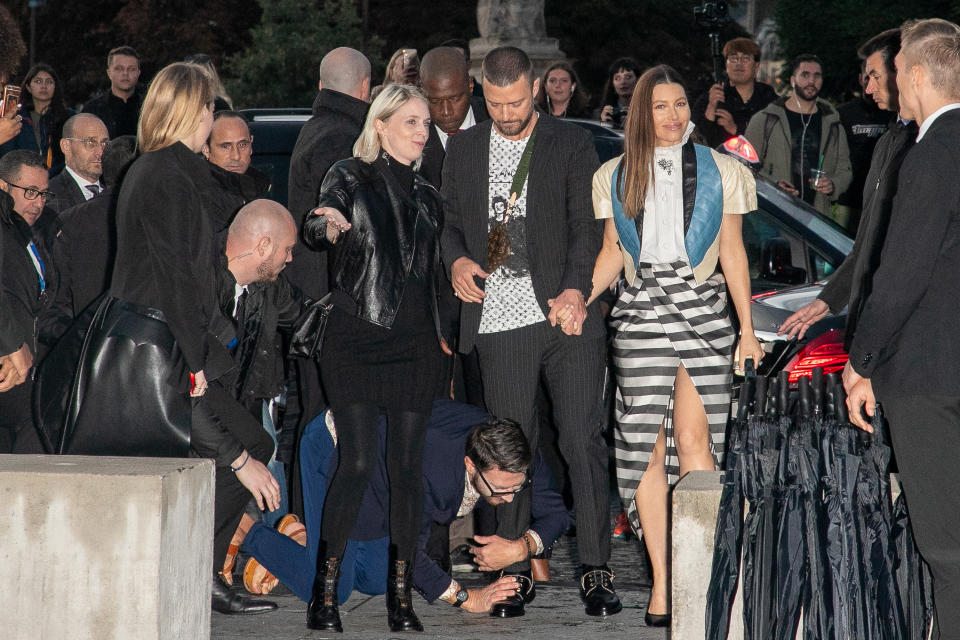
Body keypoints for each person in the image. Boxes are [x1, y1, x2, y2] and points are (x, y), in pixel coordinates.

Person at [47, 62, 280, 614]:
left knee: (256, 442)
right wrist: (199, 363)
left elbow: (193, 273)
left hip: (170, 339)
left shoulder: (168, 170)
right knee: (240, 450)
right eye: (208, 108)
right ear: (189, 110)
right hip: (156, 348)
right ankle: (197, 572)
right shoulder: (165, 173)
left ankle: (204, 568)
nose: (213, 118)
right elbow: (176, 276)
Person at [441, 46, 621, 618]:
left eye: (516, 101)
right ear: (481, 94)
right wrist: (458, 262)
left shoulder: (570, 142)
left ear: (537, 87)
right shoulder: (465, 148)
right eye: (495, 104)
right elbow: (447, 223)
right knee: (508, 453)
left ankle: (595, 567)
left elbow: (585, 225)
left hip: (564, 315)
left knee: (580, 440)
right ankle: (512, 573)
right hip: (499, 322)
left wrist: (575, 290)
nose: (507, 113)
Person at [585, 65, 762, 628]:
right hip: (639, 312)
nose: (673, 115)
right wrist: (579, 298)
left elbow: (733, 251)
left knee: (695, 441)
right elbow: (614, 249)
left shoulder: (724, 169)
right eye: (660, 106)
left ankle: (698, 575)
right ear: (642, 112)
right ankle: (663, 582)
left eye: (681, 103)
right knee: (644, 450)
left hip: (706, 310)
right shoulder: (613, 174)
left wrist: (748, 328)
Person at [301, 83, 446, 633]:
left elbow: (431, 274)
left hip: (414, 346)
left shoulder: (430, 196)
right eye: (410, 121)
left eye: (425, 124)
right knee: (358, 461)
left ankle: (400, 598)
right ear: (381, 126)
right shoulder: (349, 175)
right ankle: (325, 594)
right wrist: (326, 225)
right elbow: (320, 221)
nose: (421, 132)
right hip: (356, 338)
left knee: (407, 469)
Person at [843, 18, 960, 640]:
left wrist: (861, 361)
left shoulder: (931, 151)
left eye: (892, 72)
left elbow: (901, 275)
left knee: (947, 549)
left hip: (930, 378)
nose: (888, 82)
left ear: (914, 75)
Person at [242, 401, 569, 614]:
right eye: (500, 490)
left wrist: (519, 549)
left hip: (382, 472)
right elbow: (409, 551)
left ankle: (301, 540)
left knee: (372, 579)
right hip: (337, 451)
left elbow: (557, 513)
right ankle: (243, 529)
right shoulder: (435, 473)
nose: (511, 498)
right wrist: (468, 599)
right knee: (334, 591)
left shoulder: (513, 456)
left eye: (518, 487)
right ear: (471, 465)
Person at [779, 28, 916, 344]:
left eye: (875, 76)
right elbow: (869, 241)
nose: (868, 88)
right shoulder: (890, 141)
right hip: (874, 323)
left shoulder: (933, 144)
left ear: (904, 73)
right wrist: (827, 301)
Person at [284, 46, 370, 519]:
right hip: (332, 308)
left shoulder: (313, 131)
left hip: (310, 301)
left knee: (315, 415)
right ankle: (312, 524)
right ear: (365, 90)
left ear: (320, 87)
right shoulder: (345, 140)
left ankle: (306, 520)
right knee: (326, 421)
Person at [40, 135, 137, 341]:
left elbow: (54, 299)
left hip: (83, 341)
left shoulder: (70, 220)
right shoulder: (150, 219)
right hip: (134, 342)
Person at [745, 54, 853, 217]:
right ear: (793, 80)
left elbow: (845, 169)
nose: (811, 81)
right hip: (776, 215)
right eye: (805, 75)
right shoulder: (766, 119)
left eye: (817, 76)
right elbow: (745, 167)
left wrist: (833, 185)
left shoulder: (832, 123)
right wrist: (774, 186)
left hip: (818, 217)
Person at [0, 150, 56, 452]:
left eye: (44, 194)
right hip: (9, 366)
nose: (38, 203)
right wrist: (10, 346)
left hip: (29, 368)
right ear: (3, 187)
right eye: (30, 192)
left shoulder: (32, 234)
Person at [418, 46, 489, 189]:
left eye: (455, 99)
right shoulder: (409, 137)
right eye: (435, 101)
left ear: (470, 85)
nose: (446, 111)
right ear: (421, 92)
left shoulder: (498, 120)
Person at [691, 37, 777, 148]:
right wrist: (711, 108)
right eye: (733, 58)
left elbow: (775, 137)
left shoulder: (768, 98)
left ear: (756, 66)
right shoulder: (710, 98)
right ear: (726, 65)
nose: (739, 63)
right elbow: (696, 140)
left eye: (745, 59)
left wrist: (736, 129)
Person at [834, 63, 890, 231]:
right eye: (867, 78)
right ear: (860, 79)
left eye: (876, 78)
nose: (870, 83)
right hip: (847, 199)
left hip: (878, 199)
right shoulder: (843, 113)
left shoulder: (891, 113)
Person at [201, 111, 270, 230]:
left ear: (251, 143)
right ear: (206, 149)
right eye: (225, 146)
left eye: (242, 145)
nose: (236, 156)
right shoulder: (198, 195)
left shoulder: (265, 189)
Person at [0, 63, 74, 174]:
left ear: (55, 87)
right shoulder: (16, 118)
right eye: (38, 81)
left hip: (59, 180)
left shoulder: (69, 118)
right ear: (28, 87)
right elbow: (7, 154)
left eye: (49, 82)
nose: (44, 86)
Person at [46, 114, 109, 213]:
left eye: (105, 143)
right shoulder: (50, 196)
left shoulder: (116, 192)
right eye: (91, 143)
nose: (100, 152)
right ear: (66, 146)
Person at [82, 46, 143, 138]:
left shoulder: (150, 108)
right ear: (109, 73)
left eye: (131, 69)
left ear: (138, 73)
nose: (125, 73)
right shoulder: (92, 110)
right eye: (119, 68)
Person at [598, 57, 640, 129]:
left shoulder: (649, 110)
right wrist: (604, 125)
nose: (623, 82)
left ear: (638, 80)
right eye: (617, 78)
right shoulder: (600, 113)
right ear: (612, 84)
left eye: (628, 77)